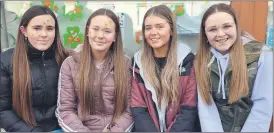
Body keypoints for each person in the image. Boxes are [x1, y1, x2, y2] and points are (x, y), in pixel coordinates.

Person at [195, 3, 273, 132]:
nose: (220, 34)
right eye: (212, 29)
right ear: (205, 33)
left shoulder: (260, 54)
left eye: (227, 26)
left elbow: (263, 103)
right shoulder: (200, 59)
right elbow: (206, 107)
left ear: (236, 26)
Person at [55, 8, 133, 132]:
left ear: (115, 36)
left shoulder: (126, 64)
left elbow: (129, 111)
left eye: (107, 31)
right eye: (95, 29)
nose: (100, 36)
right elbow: (65, 110)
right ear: (87, 31)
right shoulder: (70, 64)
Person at [0, 5, 69, 132]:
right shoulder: (5, 61)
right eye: (37, 28)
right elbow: (3, 110)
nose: (44, 34)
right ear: (24, 30)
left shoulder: (66, 59)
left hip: (63, 128)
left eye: (49, 28)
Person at [130, 5, 199, 132]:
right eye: (148, 28)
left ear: (171, 30)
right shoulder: (138, 63)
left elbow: (188, 108)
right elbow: (138, 108)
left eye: (160, 26)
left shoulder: (187, 61)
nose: (153, 32)